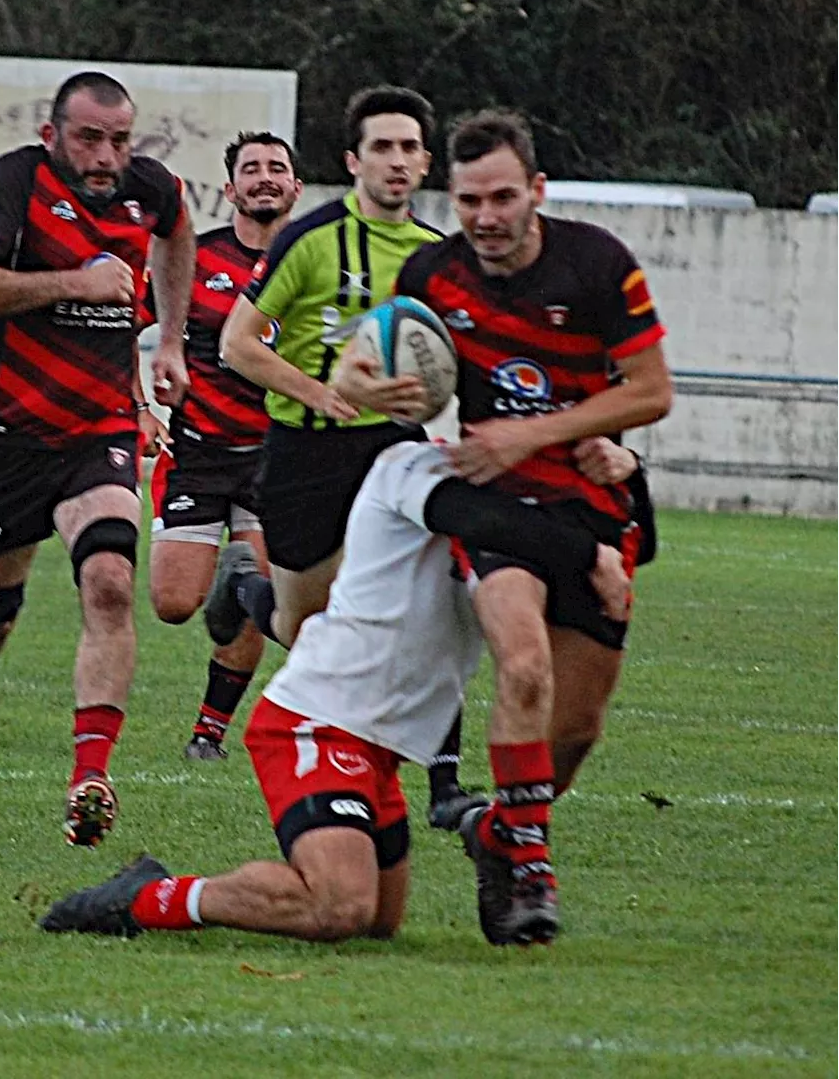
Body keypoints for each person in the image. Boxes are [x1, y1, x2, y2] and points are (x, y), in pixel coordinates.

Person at [39, 439, 632, 943]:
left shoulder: (519, 502)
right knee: (337, 906)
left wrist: (623, 463)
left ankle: (247, 593)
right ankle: (148, 896)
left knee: (378, 922)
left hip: (380, 749)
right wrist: (587, 549)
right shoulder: (414, 467)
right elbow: (485, 521)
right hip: (314, 724)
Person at [389, 108, 672, 945]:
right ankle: (533, 872)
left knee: (576, 730)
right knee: (522, 663)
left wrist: (550, 431)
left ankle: (500, 833)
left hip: (591, 507)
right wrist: (378, 390)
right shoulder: (429, 274)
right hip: (497, 507)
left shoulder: (597, 263)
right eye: (469, 199)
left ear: (536, 191)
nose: (485, 216)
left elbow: (652, 390)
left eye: (503, 197)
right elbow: (386, 370)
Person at [0, 71, 195, 848]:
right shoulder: (11, 183)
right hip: (6, 433)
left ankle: (91, 776)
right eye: (89, 138)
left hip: (99, 430)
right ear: (53, 135)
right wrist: (75, 281)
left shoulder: (150, 188)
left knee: (110, 581)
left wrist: (169, 338)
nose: (106, 157)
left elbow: (179, 230)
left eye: (119, 140)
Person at [202, 85, 482, 830]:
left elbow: (465, 362)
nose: (396, 160)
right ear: (353, 160)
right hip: (305, 451)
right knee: (305, 624)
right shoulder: (312, 239)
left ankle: (447, 783)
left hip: (396, 451)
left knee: (429, 603)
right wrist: (320, 391)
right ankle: (245, 585)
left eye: (409, 147)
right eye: (381, 147)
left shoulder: (438, 258)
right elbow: (237, 344)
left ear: (425, 161)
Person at [144, 132, 303, 761]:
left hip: (277, 457)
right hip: (198, 452)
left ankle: (207, 735)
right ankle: (235, 583)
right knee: (174, 603)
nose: (266, 178)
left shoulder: (313, 264)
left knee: (260, 592)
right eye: (251, 170)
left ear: (295, 186)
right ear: (231, 189)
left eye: (278, 168)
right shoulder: (195, 258)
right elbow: (118, 327)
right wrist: (138, 409)